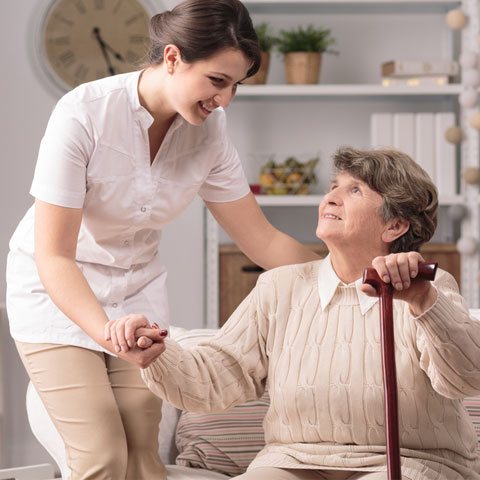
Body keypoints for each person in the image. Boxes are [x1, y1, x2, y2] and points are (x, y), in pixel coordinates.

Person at [5, 1, 319, 478]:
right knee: (103, 455)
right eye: (217, 81)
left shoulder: (210, 133)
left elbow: (263, 240)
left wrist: (351, 275)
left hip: (137, 294)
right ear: (172, 58)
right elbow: (54, 255)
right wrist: (107, 332)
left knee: (145, 460)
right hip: (56, 292)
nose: (226, 100)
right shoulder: (83, 114)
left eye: (236, 85)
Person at [110, 147, 480, 480]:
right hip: (292, 459)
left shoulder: (428, 286)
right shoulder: (279, 287)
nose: (331, 198)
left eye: (355, 191)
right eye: (334, 187)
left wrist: (422, 302)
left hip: (410, 459)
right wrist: (159, 354)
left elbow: (466, 378)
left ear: (395, 225)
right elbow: (218, 376)